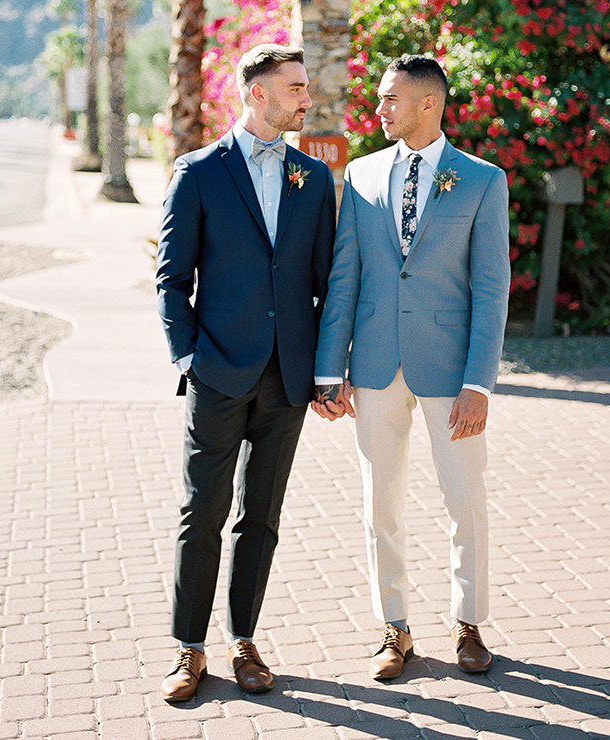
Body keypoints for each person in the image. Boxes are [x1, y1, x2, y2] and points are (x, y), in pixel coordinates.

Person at [311, 54, 510, 679]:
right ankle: (393, 629)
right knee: (380, 504)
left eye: (391, 99)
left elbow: (492, 286)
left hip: (452, 373)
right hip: (372, 366)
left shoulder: (482, 181)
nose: (380, 109)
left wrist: (479, 382)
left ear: (429, 103)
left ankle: (469, 624)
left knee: (464, 499)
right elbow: (346, 276)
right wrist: (328, 369)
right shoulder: (363, 176)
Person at [155, 43, 337, 702]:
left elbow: (325, 282)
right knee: (199, 512)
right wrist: (188, 358)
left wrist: (324, 372)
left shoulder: (313, 180)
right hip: (218, 373)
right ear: (256, 93)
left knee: (261, 516)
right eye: (293, 87)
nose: (304, 97)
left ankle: (243, 642)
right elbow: (171, 279)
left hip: (286, 379)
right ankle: (187, 649)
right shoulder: (198, 173)